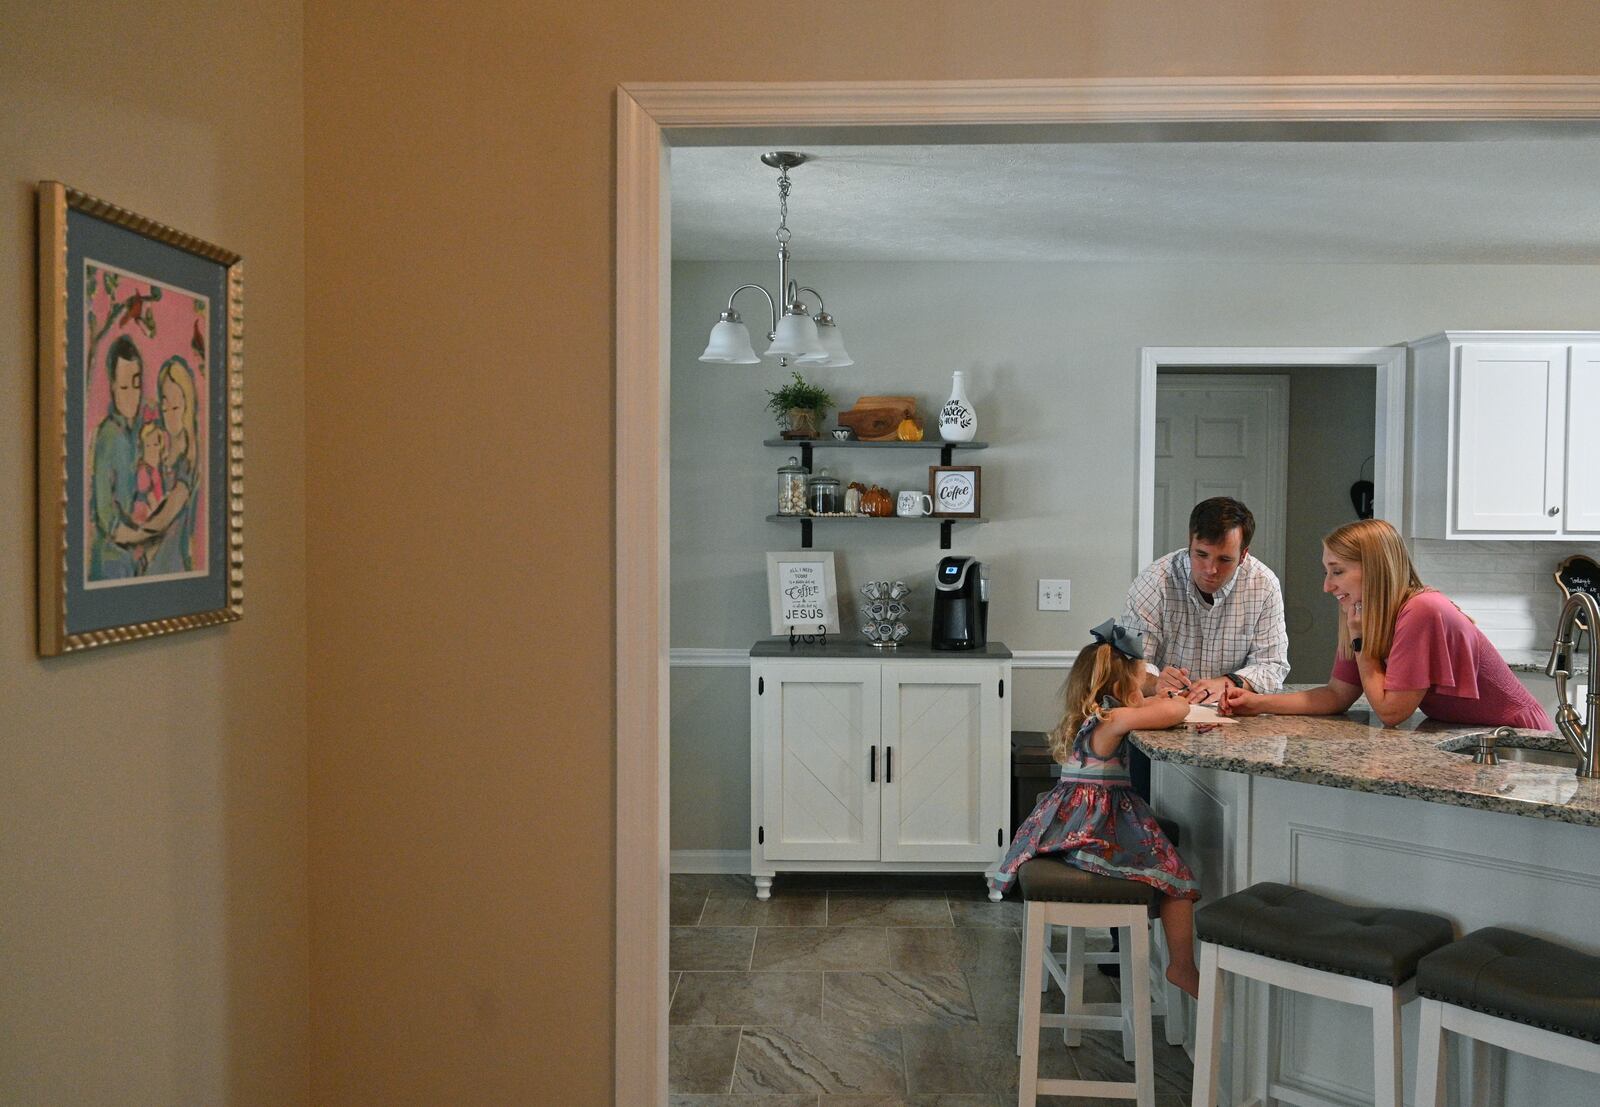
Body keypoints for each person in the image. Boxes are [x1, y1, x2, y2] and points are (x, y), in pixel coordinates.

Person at [989, 619, 1202, 997]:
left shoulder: (1096, 717)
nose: (1145, 689)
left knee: (1171, 875)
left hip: (1070, 821)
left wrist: (1152, 696)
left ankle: (1179, 965)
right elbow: (1173, 713)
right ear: (1122, 689)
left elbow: (1147, 708)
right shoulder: (1117, 718)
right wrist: (1180, 700)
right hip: (1097, 828)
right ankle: (1181, 966)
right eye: (1141, 683)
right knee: (1177, 881)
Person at [1220, 519, 1553, 730]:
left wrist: (1362, 645)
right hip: (1477, 737)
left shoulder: (1423, 610)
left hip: (1516, 737)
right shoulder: (1364, 613)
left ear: (1375, 570)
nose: (1327, 585)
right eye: (1326, 572)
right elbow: (1336, 695)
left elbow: (1393, 713)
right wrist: (1257, 703)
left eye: (1337, 571)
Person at [88, 335, 149, 580]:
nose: (132, 395)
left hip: (133, 559)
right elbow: (106, 516)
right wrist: (144, 536)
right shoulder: (108, 436)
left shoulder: (139, 433)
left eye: (136, 384)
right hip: (110, 561)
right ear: (112, 386)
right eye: (124, 387)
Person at [141, 356, 201, 577]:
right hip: (151, 559)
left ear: (187, 407)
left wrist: (134, 536)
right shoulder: (160, 449)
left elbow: (167, 513)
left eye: (175, 406)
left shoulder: (188, 461)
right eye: (164, 404)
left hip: (172, 561)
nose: (168, 412)